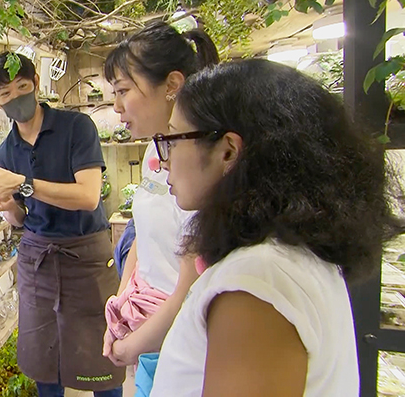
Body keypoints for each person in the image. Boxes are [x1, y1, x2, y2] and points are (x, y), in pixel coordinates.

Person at [150, 59, 405, 396]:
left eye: (172, 139)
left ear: (228, 151)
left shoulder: (255, 283)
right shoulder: (287, 256)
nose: (160, 159)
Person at [0, 52, 124, 397]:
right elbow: (20, 217)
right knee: (44, 360)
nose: (17, 97)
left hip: (85, 256)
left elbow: (88, 196)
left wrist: (24, 184)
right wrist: (6, 206)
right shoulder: (5, 152)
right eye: (6, 94)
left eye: (23, 86)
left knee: (101, 356)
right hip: (38, 260)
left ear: (37, 84)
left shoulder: (76, 127)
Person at [101, 20, 220, 387]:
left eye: (123, 90)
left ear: (171, 85)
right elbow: (144, 238)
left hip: (181, 337)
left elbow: (190, 283)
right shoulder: (158, 147)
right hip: (148, 330)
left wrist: (133, 345)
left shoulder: (202, 164)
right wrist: (120, 314)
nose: (116, 106)